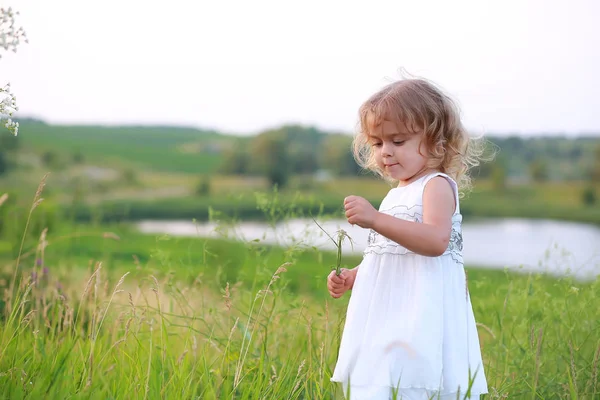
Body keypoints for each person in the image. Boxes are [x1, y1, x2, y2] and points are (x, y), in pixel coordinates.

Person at [327, 77, 489, 400]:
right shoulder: (396, 194)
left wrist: (375, 218)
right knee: (382, 380)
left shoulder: (436, 186)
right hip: (388, 313)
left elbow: (434, 241)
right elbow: (390, 253)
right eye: (378, 143)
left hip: (418, 315)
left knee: (413, 380)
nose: (386, 152)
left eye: (398, 141)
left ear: (435, 140)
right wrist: (354, 277)